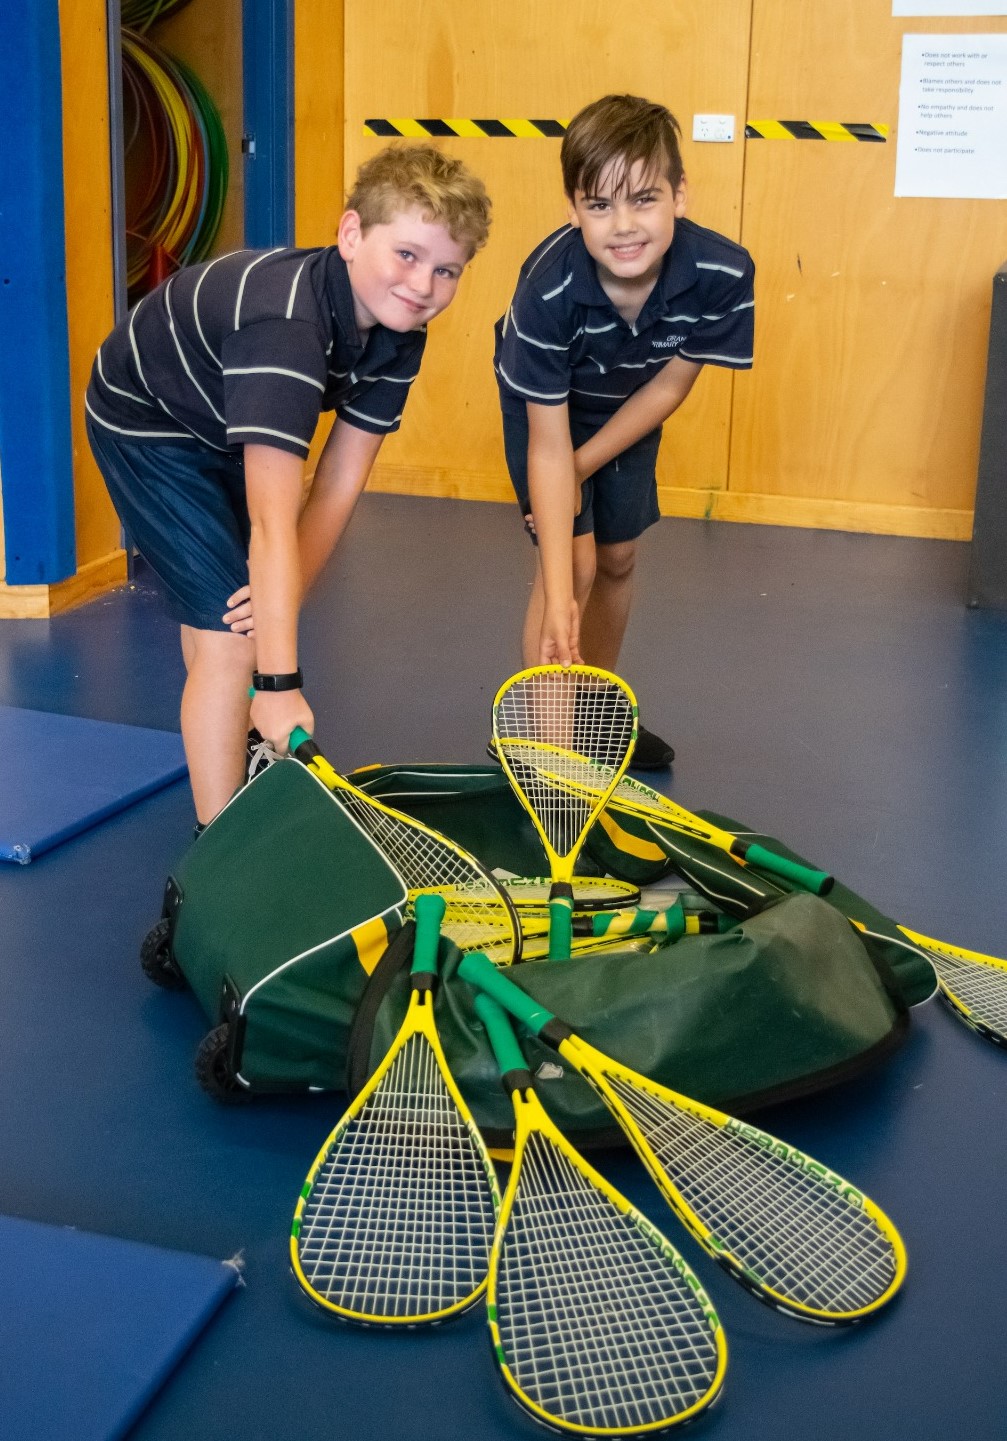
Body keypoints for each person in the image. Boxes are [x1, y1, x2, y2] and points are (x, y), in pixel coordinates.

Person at [86, 144, 491, 830]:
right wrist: (275, 683)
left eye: (446, 270)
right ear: (351, 233)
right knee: (228, 638)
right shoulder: (288, 329)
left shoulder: (401, 334)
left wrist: (275, 613)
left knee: (238, 615)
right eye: (407, 255)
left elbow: (336, 482)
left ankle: (235, 747)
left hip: (220, 411)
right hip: (147, 419)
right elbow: (275, 524)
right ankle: (219, 850)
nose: (423, 286)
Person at [493, 94, 754, 768]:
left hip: (631, 404)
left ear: (680, 195)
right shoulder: (546, 290)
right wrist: (556, 597)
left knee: (616, 560)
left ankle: (594, 720)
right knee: (572, 570)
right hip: (547, 413)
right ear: (572, 207)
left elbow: (668, 385)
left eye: (643, 199)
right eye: (599, 205)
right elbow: (548, 445)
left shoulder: (722, 274)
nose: (623, 225)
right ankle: (545, 754)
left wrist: (585, 465)